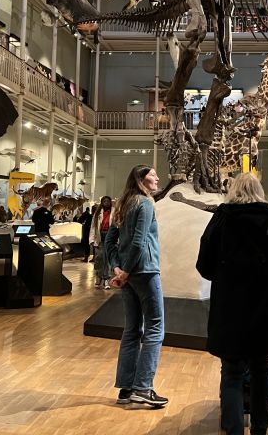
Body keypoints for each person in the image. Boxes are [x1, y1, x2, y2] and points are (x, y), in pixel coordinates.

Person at [196, 173, 268, 435]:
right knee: (261, 369)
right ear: (259, 190)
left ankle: (233, 430)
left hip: (230, 306)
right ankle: (259, 429)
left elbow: (204, 264)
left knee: (231, 371)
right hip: (264, 305)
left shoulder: (221, 218)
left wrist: (225, 276)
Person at [105, 165, 167, 408]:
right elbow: (140, 242)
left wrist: (117, 268)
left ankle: (127, 388)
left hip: (128, 274)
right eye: (153, 174)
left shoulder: (122, 204)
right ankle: (143, 388)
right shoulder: (145, 203)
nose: (157, 178)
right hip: (144, 271)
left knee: (132, 329)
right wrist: (127, 272)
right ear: (141, 180)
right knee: (155, 327)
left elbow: (110, 241)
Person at [91, 196, 113, 288]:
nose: (106, 203)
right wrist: (92, 239)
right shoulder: (97, 213)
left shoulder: (114, 212)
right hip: (100, 236)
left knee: (108, 259)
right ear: (102, 202)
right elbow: (93, 227)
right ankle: (98, 276)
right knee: (99, 258)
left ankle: (106, 279)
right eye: (104, 201)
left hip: (110, 236)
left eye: (108, 201)